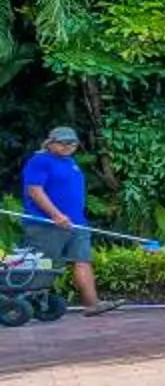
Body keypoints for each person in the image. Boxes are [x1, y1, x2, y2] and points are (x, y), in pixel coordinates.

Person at [17, 126, 111, 314]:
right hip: (46, 224)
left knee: (82, 260)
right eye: (62, 142)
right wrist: (55, 215)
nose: (68, 146)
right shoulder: (41, 161)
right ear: (50, 143)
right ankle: (18, 304)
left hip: (76, 223)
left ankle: (93, 304)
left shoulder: (70, 162)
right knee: (43, 265)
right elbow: (34, 190)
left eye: (72, 142)